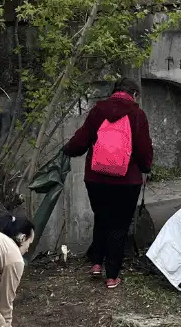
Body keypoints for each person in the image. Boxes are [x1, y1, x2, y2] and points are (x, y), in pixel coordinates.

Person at [64, 78, 154, 289]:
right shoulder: (137, 114)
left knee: (102, 217)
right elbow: (143, 148)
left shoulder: (98, 110)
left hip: (96, 178)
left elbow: (82, 140)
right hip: (126, 181)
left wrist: (67, 151)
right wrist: (146, 167)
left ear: (114, 92)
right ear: (134, 94)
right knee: (119, 226)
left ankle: (96, 263)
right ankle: (112, 275)